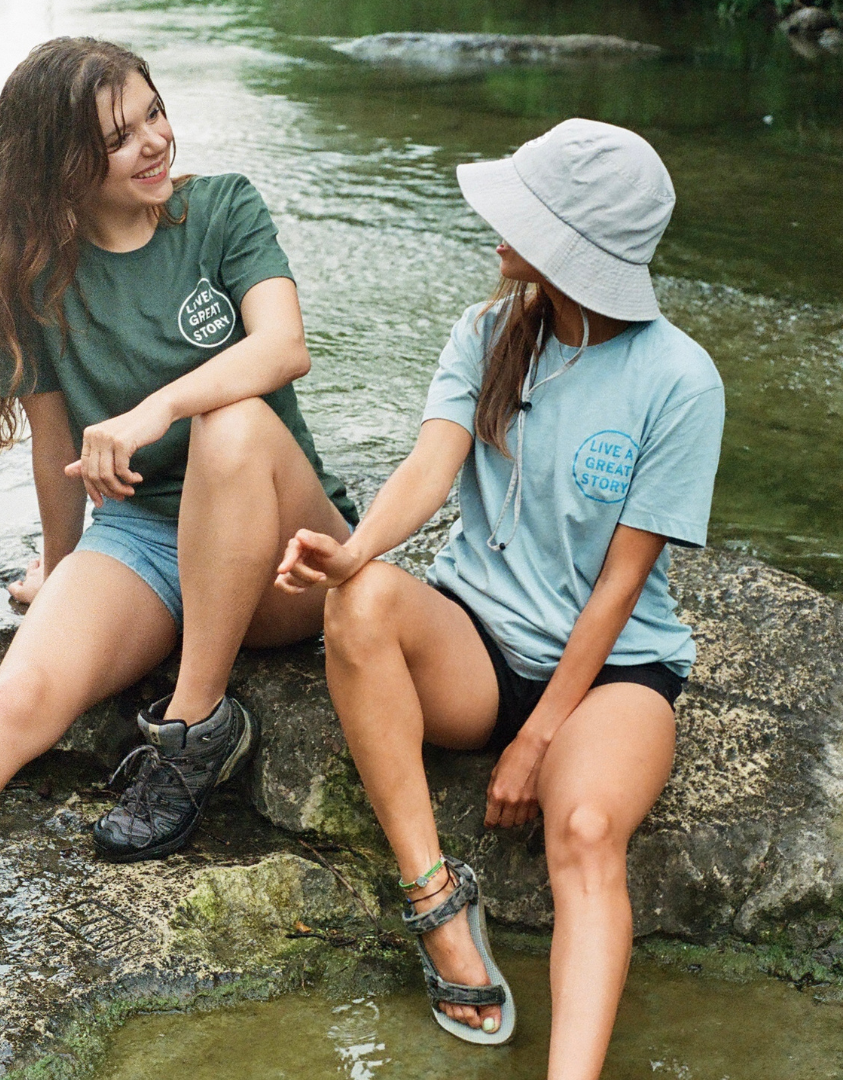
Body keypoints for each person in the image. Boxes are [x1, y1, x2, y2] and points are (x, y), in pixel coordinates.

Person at [0, 36, 356, 997]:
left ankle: (196, 724)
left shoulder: (222, 211)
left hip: (279, 545)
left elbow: (284, 347)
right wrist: (56, 564)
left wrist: (162, 405)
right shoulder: (37, 278)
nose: (154, 142)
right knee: (14, 697)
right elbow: (55, 445)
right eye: (120, 136)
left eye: (154, 112)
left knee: (233, 420)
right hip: (146, 543)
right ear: (60, 168)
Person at [275, 119, 724, 1077]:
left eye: (522, 209)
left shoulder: (682, 380)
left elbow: (621, 585)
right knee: (358, 604)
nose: (493, 222)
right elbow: (430, 469)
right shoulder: (487, 332)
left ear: (575, 246)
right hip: (475, 643)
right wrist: (350, 554)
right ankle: (439, 908)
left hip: (617, 673)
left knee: (588, 830)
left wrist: (539, 736)